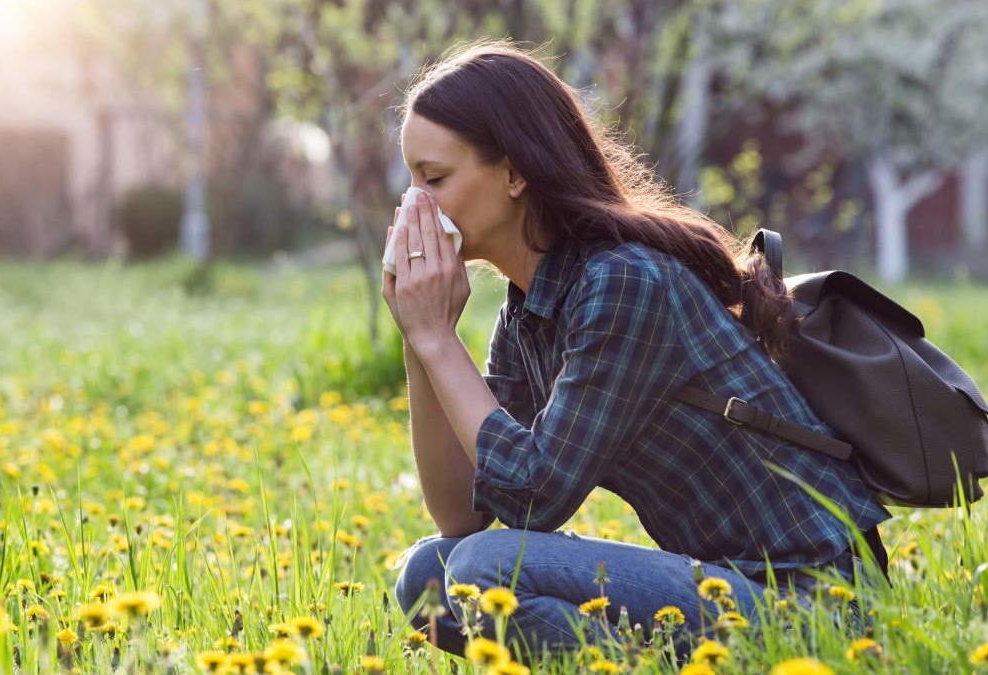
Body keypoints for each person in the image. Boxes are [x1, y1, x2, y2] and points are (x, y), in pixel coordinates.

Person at [381, 39, 891, 662]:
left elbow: (534, 499)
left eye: (434, 179)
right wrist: (420, 338)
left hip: (816, 604)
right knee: (428, 576)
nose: (415, 205)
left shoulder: (622, 281)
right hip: (727, 586)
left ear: (514, 173)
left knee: (485, 569)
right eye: (411, 180)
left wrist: (438, 339)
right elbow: (462, 514)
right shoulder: (529, 310)